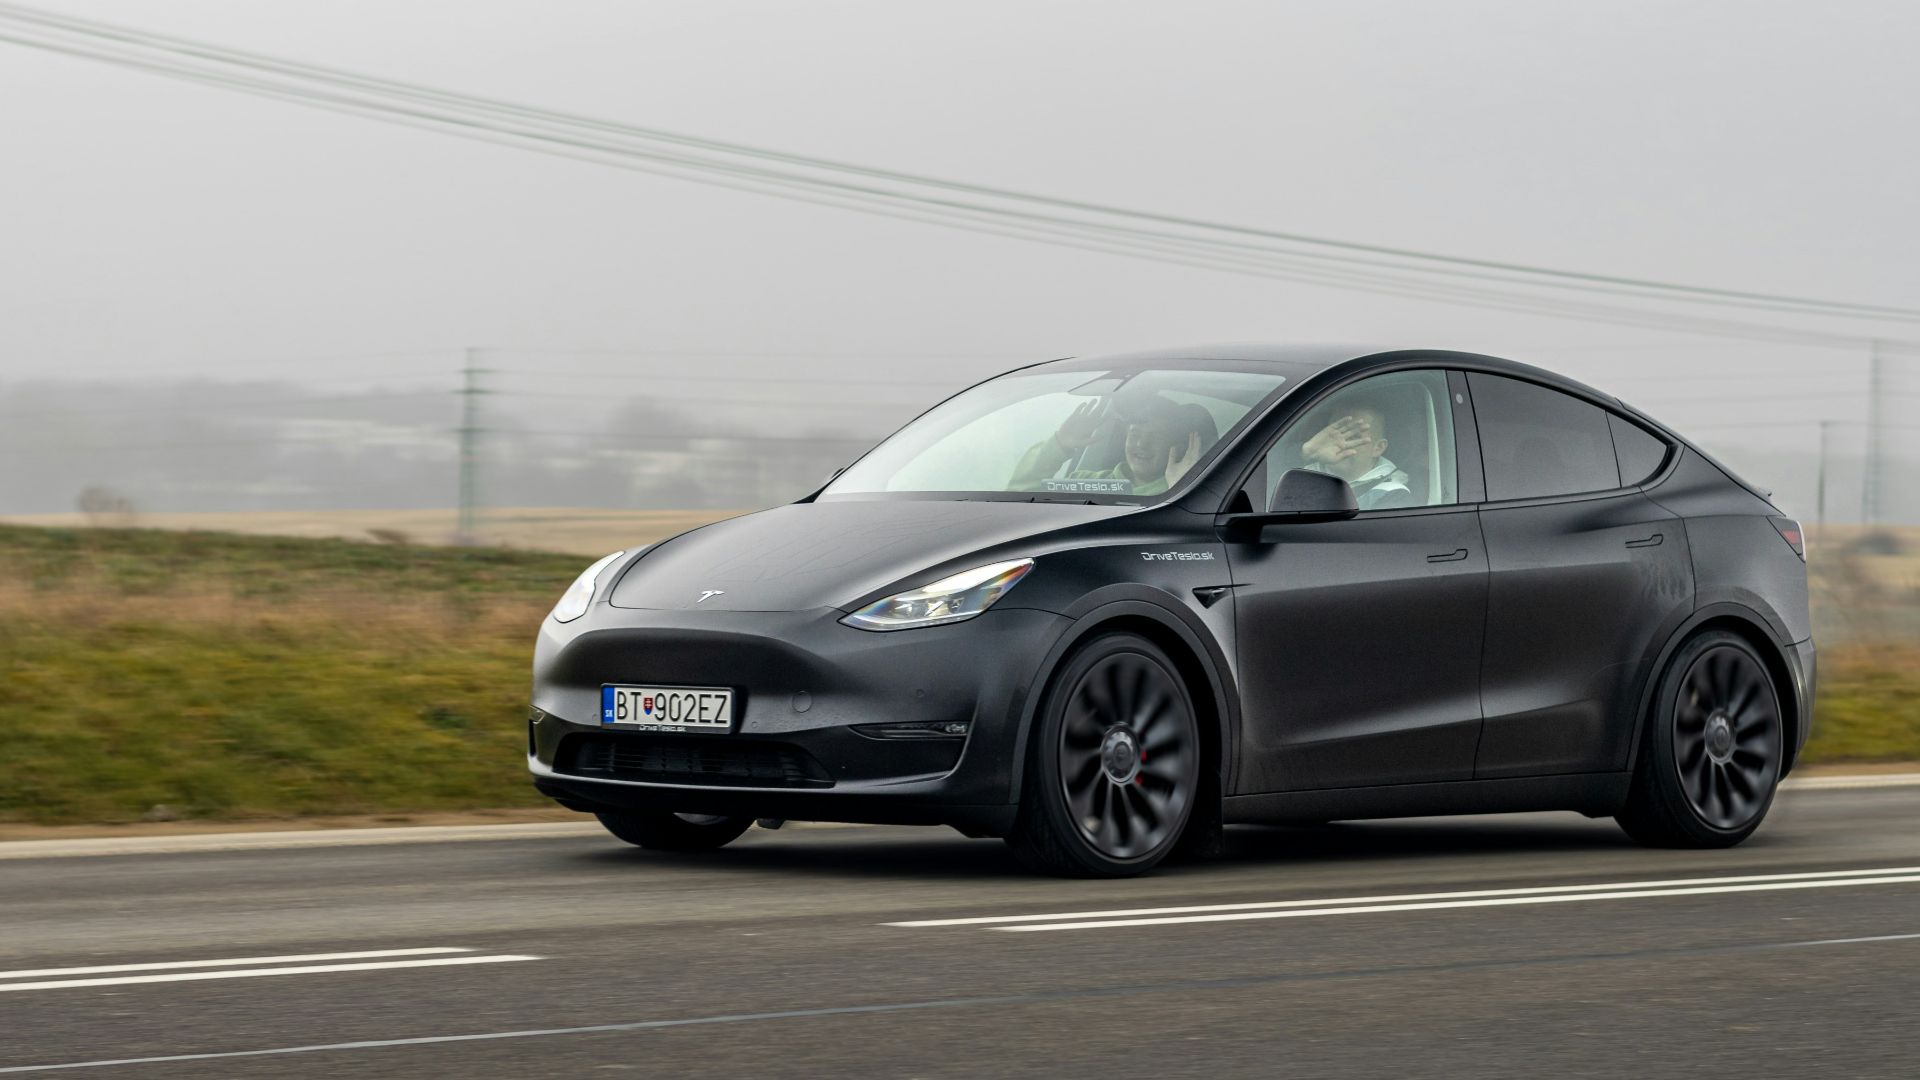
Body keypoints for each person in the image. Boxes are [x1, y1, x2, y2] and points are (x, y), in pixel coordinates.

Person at [1009, 397, 1217, 496]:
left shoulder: (1182, 493)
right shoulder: (1082, 482)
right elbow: (1019, 499)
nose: (1141, 444)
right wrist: (1059, 446)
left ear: (1181, 448)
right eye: (1134, 434)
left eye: (1157, 436)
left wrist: (1181, 489)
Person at [1296, 403, 1416, 510]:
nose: (1340, 445)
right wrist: (1307, 452)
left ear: (1378, 448)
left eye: (1353, 437)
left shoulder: (1393, 493)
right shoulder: (1301, 472)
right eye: (1334, 436)